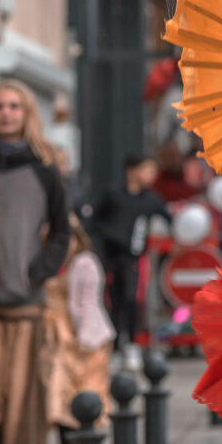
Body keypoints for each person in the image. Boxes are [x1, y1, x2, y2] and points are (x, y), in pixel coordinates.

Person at [0, 79, 70, 444]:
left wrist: (37, 272)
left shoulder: (46, 170)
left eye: (13, 106)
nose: (6, 113)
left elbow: (63, 236)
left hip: (26, 307)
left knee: (24, 409)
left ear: (26, 114)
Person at [45, 216, 115, 444]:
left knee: (85, 395)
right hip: (57, 340)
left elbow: (87, 303)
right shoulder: (49, 265)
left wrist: (83, 338)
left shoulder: (85, 263)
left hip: (84, 340)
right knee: (60, 396)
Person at [93, 153, 169, 361]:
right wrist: (114, 236)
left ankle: (133, 343)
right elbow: (95, 222)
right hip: (111, 257)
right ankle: (117, 345)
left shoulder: (151, 200)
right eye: (147, 170)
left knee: (132, 298)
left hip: (135, 259)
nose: (152, 175)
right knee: (113, 300)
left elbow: (168, 219)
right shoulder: (112, 195)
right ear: (132, 171)